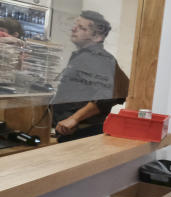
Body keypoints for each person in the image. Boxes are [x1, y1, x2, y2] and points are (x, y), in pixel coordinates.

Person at [49, 10, 128, 142]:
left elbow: (105, 97)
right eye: (75, 25)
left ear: (97, 37)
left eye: (82, 28)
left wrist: (74, 118)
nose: (74, 29)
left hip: (82, 132)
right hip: (70, 130)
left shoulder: (99, 58)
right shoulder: (83, 56)